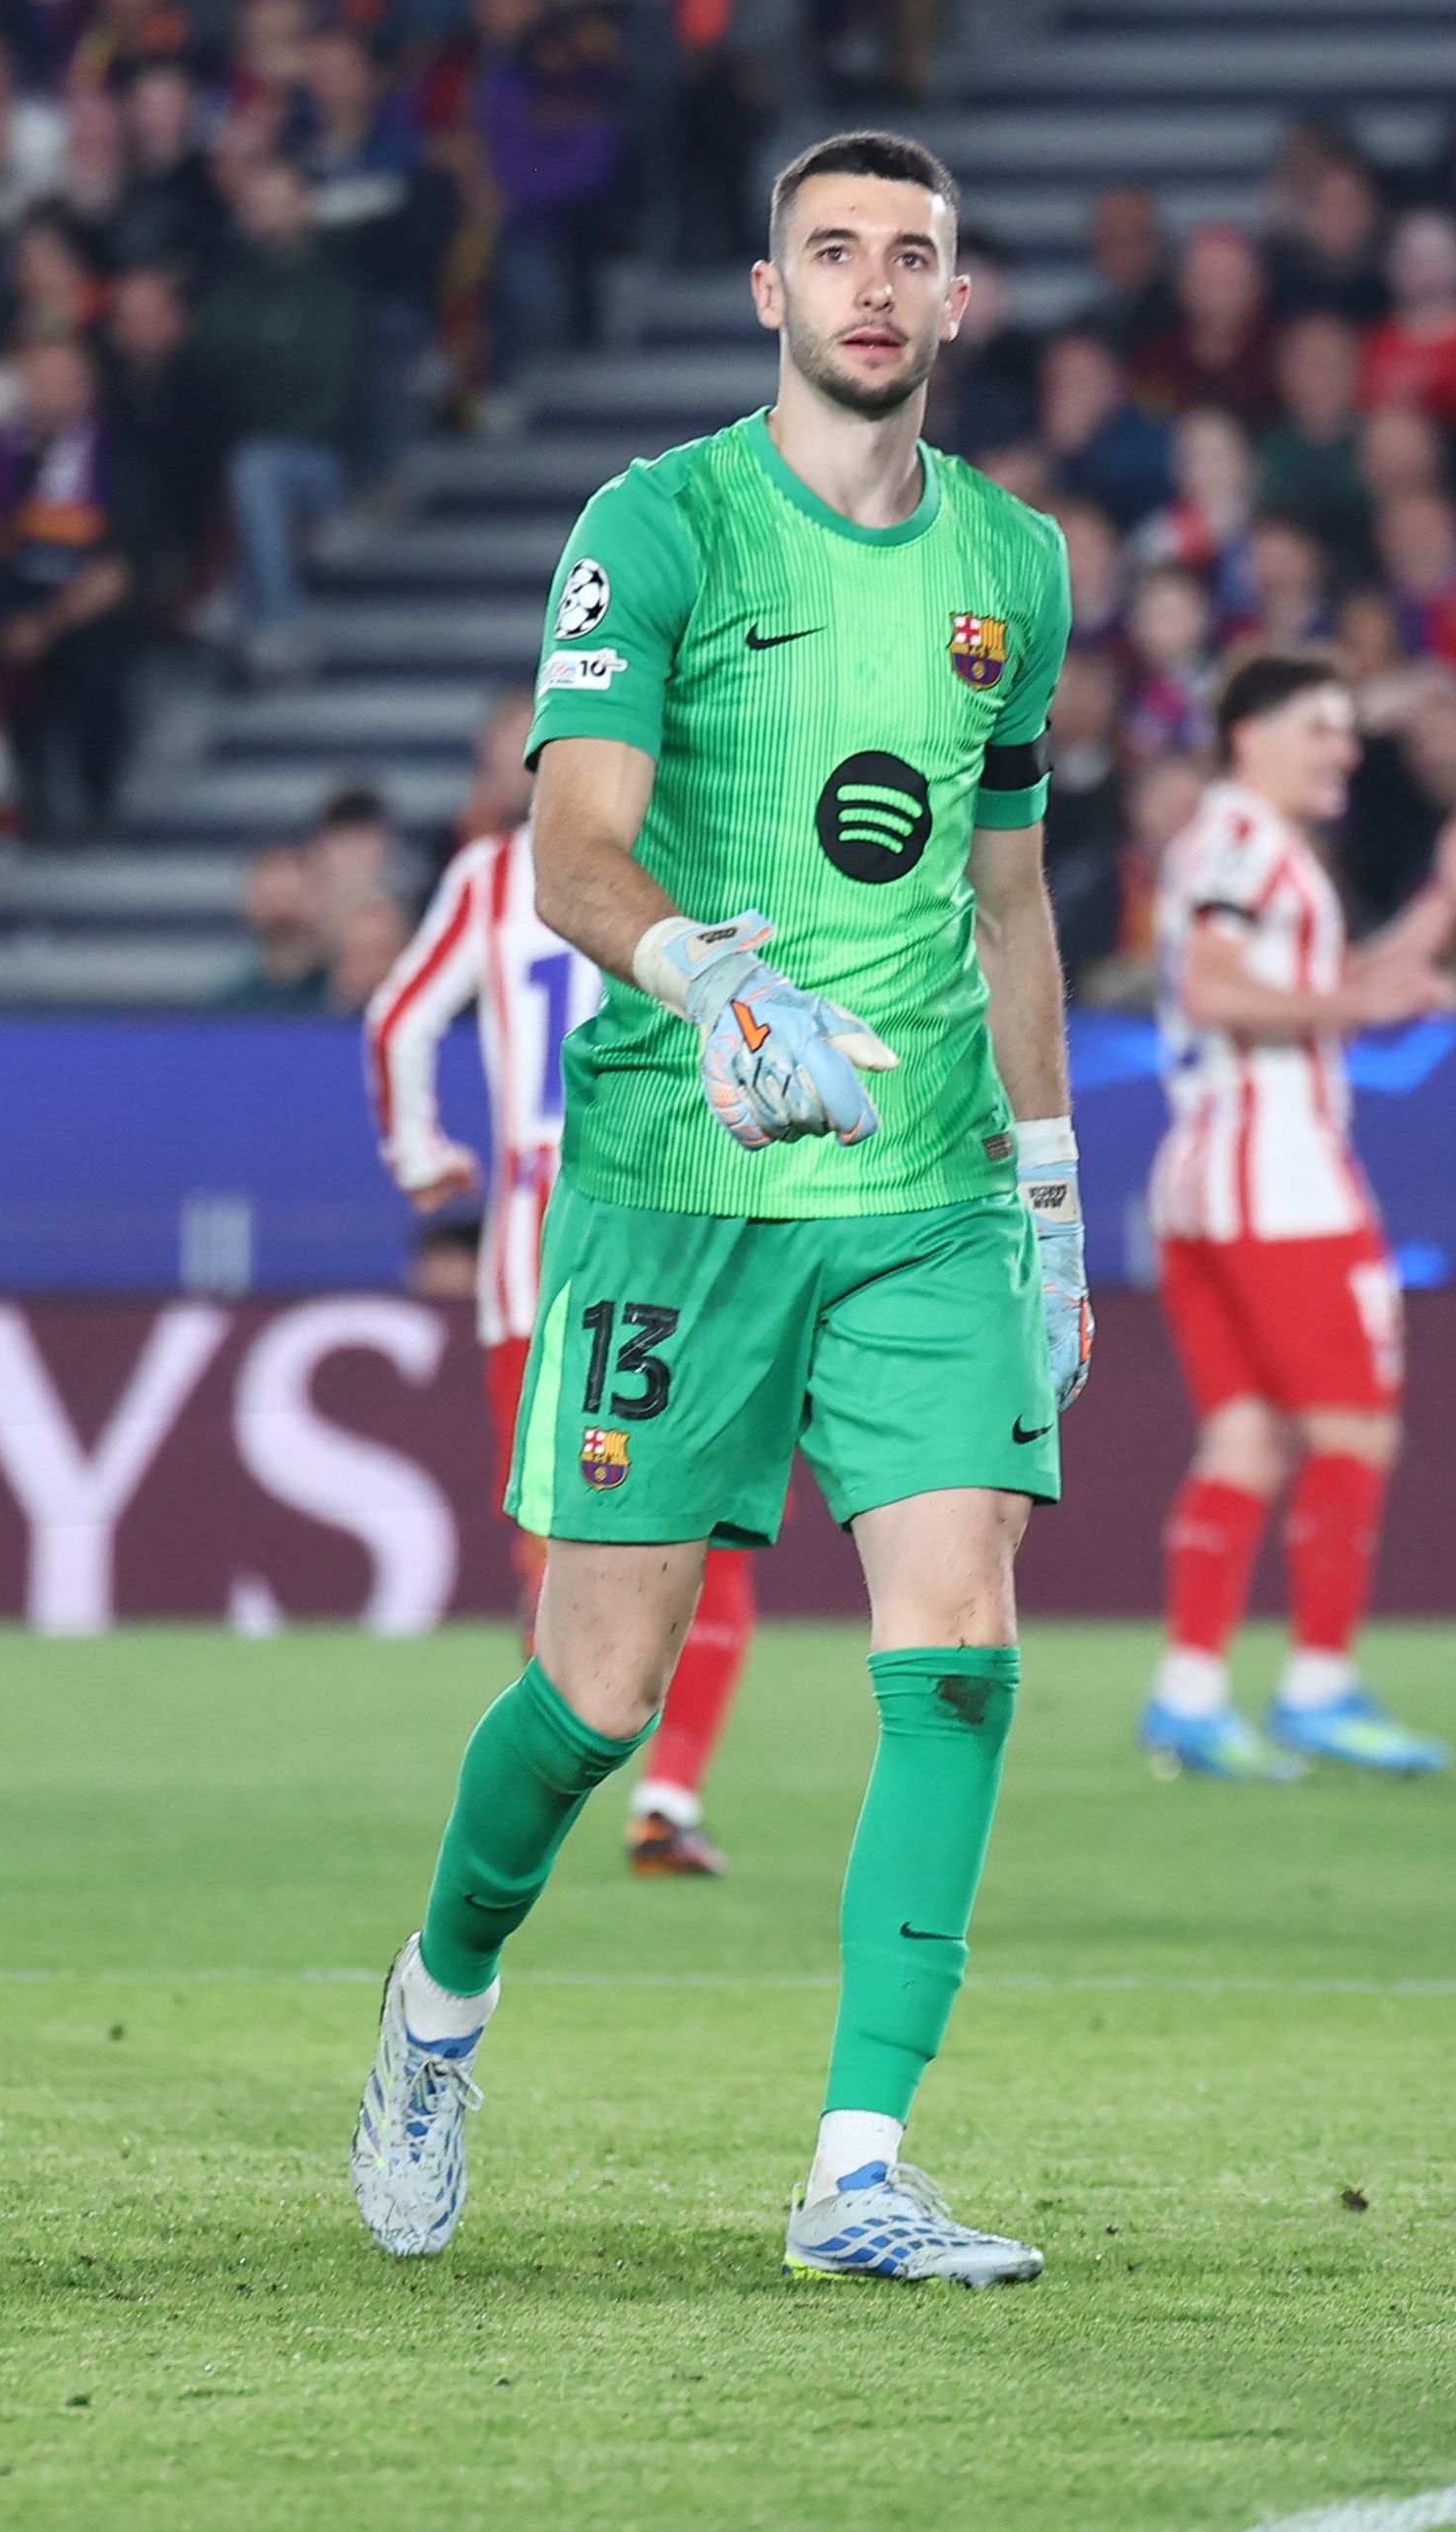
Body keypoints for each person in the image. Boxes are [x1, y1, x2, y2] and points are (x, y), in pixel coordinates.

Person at [349, 133, 1085, 2286]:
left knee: (954, 1648)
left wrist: (1044, 1192)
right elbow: (570, 852)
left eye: (912, 258)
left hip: (924, 1187)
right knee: (594, 1698)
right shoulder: (650, 528)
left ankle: (856, 2164)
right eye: (831, 252)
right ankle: (434, 2008)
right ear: (765, 293)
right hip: (682, 1180)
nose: (872, 285)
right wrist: (709, 978)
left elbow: (1012, 892)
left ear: (958, 305)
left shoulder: (1014, 568)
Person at [363, 693, 758, 1878]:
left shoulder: (493, 873)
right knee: (710, 1536)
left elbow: (395, 1019)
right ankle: (668, 1797)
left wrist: (422, 1155)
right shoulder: (712, 851)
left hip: (531, 1263)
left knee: (555, 1539)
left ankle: (548, 1792)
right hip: (680, 1241)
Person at [1142, 652, 1456, 1780]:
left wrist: (1446, 901)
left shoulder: (1248, 846)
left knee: (1245, 1434)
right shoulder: (1242, 842)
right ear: (1248, 732)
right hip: (1277, 1169)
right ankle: (1317, 1683)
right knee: (1354, 1429)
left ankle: (1189, 1691)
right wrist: (1354, 1002)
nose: (1343, 750)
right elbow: (1215, 986)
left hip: (1205, 1169)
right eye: (1320, 729)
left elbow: (1338, 982)